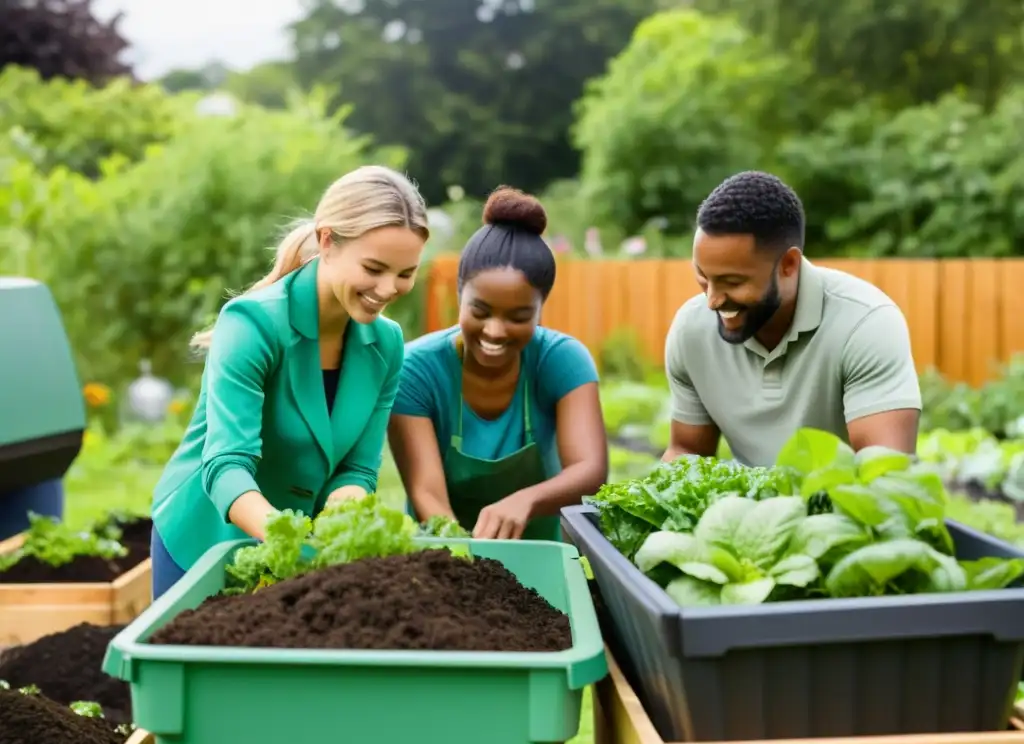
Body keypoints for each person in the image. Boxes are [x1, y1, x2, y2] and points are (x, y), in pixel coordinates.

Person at [148, 166, 429, 599]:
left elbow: (357, 468)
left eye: (405, 273)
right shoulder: (252, 324)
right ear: (328, 241)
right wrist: (290, 543)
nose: (388, 288)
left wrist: (343, 515)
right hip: (205, 540)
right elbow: (226, 465)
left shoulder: (386, 344)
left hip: (296, 553)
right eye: (374, 268)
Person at [387, 187, 608, 540]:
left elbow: (590, 470)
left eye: (519, 317)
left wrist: (525, 501)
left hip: (539, 549)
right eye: (480, 311)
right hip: (441, 554)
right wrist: (463, 556)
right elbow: (426, 493)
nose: (494, 331)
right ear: (460, 295)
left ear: (541, 308)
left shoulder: (561, 360)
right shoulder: (417, 369)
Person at [663, 170, 921, 467]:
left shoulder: (866, 324)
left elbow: (884, 472)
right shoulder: (691, 330)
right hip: (746, 510)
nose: (712, 301)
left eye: (732, 282)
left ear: (788, 265)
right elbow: (685, 450)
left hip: (842, 509)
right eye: (703, 276)